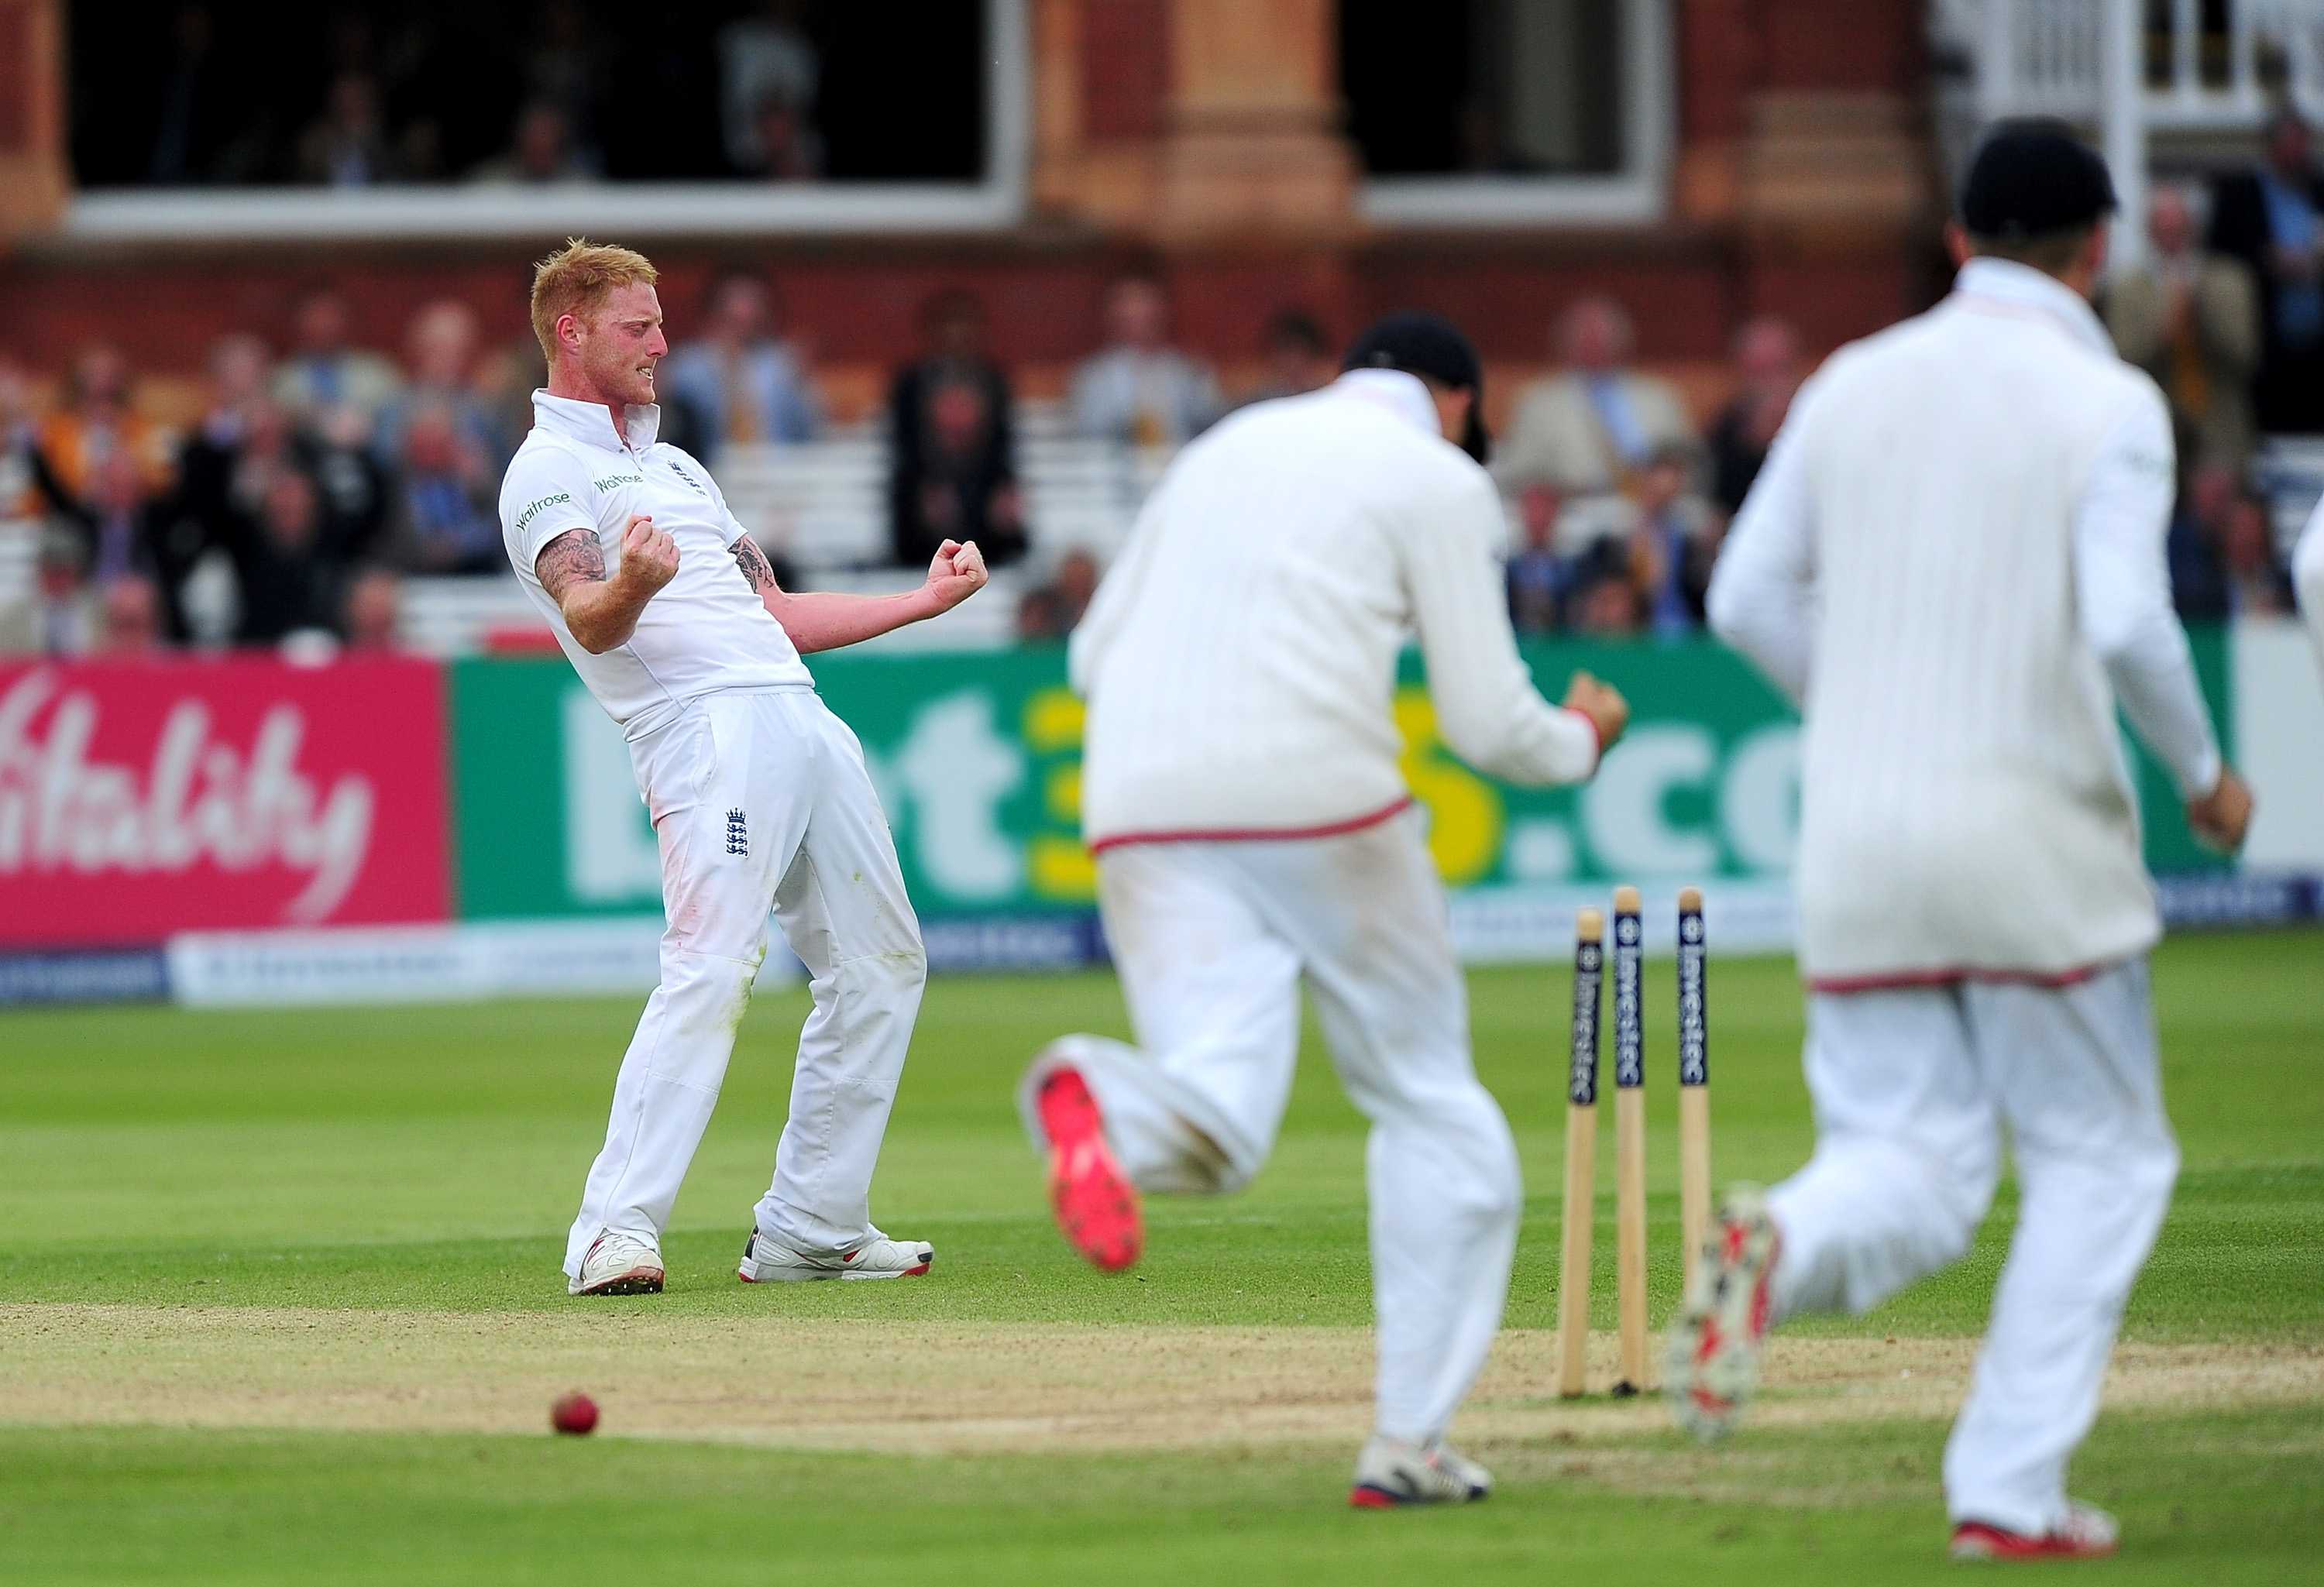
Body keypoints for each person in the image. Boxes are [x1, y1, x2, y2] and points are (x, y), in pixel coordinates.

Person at [1678, 121, 2255, 1562]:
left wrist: (1869, 713)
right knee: (2103, 1158)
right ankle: (2005, 1486)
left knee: (1910, 1161)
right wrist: (2202, 767)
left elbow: (1746, 594)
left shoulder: (1850, 380)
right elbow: (2127, 619)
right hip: (2031, 844)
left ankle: (1783, 1247)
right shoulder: (2108, 399)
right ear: (2101, 248)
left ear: (1956, 239)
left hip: (1860, 844)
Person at [1019, 312, 1629, 1508]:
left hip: (1138, 799)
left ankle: (1106, 1096)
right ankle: (1409, 1441)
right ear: (1454, 401)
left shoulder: (1224, 445)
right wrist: (1582, 740)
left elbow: (1093, 657)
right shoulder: (1438, 478)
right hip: (1315, 799)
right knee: (1432, 1106)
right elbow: (1485, 722)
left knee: (1223, 1110)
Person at [499, 239, 989, 1298]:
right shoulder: (547, 470)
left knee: (881, 963)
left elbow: (772, 613)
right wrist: (628, 582)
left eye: (660, 324)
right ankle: (610, 1231)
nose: (663, 345)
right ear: (572, 331)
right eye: (638, 327)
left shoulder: (678, 468)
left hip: (799, 717)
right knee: (714, 963)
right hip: (703, 730)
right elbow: (587, 613)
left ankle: (813, 1225)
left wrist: (918, 604)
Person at [2105, 187, 2260, 472]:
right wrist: (2164, 330)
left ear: (2193, 228)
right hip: (2154, 433)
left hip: (2220, 435)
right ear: (2149, 232)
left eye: (2178, 229)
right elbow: (2120, 363)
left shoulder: (2229, 280)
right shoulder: (2129, 289)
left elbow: (2245, 355)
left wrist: (2200, 310)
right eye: (2163, 230)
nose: (2171, 240)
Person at [1494, 297, 1694, 499]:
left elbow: (1690, 466)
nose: (1594, 346)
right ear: (1565, 344)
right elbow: (1518, 474)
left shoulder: (1659, 398)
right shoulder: (1537, 403)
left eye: (1602, 338)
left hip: (1653, 510)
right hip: (1572, 514)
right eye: (1586, 338)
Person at [887, 291, 1024, 569]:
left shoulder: (993, 380)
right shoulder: (911, 382)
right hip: (922, 482)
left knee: (1002, 516)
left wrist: (1004, 488)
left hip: (982, 484)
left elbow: (1002, 443)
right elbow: (905, 444)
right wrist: (928, 486)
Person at [2208, 111, 2324, 435]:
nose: (2299, 154)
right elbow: (2221, 257)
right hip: (2264, 344)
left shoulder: (2317, 189)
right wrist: (2269, 260)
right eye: (2292, 145)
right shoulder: (2240, 194)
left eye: (2303, 145)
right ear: (2272, 146)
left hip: (2315, 346)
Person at [658, 271, 821, 464]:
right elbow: (675, 429)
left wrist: (802, 387)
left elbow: (810, 433)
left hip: (780, 473)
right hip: (710, 468)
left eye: (752, 307)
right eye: (733, 317)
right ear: (714, 313)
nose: (744, 315)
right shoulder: (686, 367)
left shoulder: (783, 365)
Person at [1069, 275, 1222, 449]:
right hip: (1115, 469)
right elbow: (1089, 432)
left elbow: (1210, 423)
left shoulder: (1189, 370)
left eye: (1145, 311)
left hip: (1181, 462)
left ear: (1162, 312)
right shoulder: (1094, 375)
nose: (1138, 319)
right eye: (1129, 313)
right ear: (1113, 316)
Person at [1704, 317, 1803, 517]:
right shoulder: (1724, 430)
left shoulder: (1816, 420)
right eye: (1761, 372)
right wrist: (1754, 446)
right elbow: (1722, 504)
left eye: (1780, 369)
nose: (1772, 383)